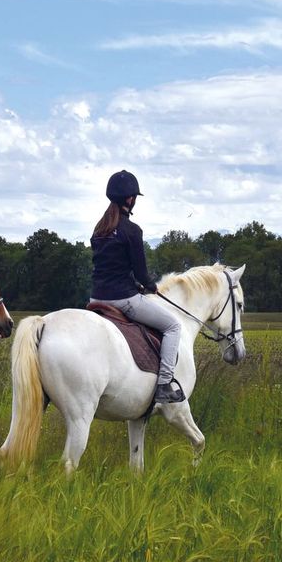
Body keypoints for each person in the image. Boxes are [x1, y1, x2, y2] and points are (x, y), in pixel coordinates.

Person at [88, 170, 185, 403]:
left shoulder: (98, 230)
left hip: (95, 299)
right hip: (123, 299)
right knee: (173, 326)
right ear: (130, 199)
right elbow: (140, 273)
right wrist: (150, 286)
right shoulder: (132, 230)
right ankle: (164, 384)